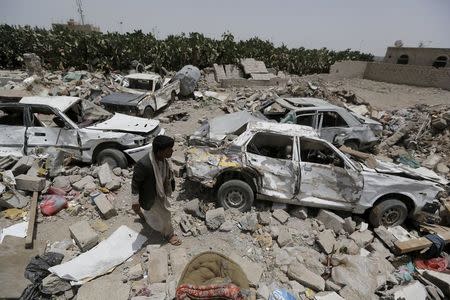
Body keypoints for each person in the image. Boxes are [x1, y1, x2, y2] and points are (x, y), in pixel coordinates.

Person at [131, 135, 181, 246]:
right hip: (150, 193)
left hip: (161, 191)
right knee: (166, 214)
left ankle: (141, 215)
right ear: (159, 151)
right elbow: (135, 183)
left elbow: (168, 174)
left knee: (153, 211)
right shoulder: (143, 164)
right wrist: (135, 201)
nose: (172, 151)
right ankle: (169, 234)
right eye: (169, 150)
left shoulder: (164, 159)